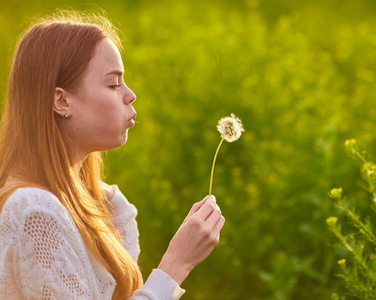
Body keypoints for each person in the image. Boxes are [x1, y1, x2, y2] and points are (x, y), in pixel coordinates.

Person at [0, 10, 225, 300]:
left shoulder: (102, 207)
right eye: (113, 83)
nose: (130, 95)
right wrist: (175, 265)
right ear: (62, 100)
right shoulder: (35, 211)